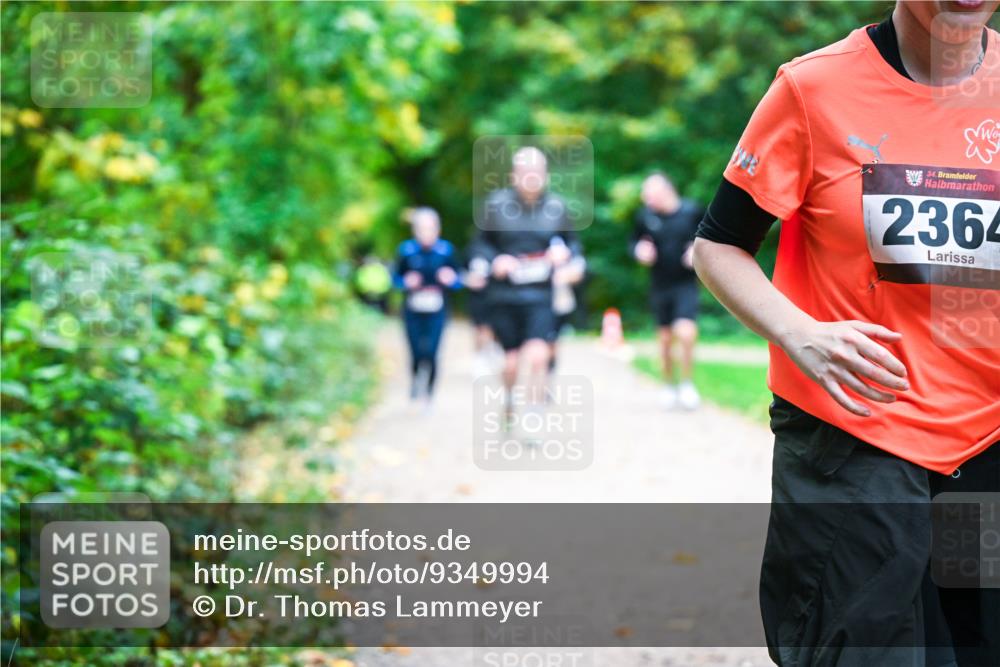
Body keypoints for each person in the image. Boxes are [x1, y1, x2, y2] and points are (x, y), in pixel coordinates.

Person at [692, 2, 999, 665]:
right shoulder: (814, 89)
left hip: (987, 441)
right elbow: (718, 246)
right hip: (857, 431)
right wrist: (797, 332)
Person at [469, 146, 583, 421]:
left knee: (538, 356)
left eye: (537, 171)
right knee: (510, 363)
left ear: (545, 175)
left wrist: (568, 259)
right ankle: (509, 402)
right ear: (513, 175)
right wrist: (495, 261)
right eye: (525, 171)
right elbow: (478, 246)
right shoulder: (496, 206)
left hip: (540, 295)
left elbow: (573, 246)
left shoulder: (557, 208)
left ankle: (534, 414)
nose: (532, 177)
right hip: (505, 295)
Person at [630, 172, 704, 410]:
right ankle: (669, 385)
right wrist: (639, 250)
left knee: (686, 332)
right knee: (664, 339)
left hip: (685, 283)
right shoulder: (645, 216)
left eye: (650, 195)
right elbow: (634, 242)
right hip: (659, 283)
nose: (646, 199)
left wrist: (696, 250)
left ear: (667, 191)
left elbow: (709, 239)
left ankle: (687, 383)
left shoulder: (691, 211)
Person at [392, 207, 461, 405]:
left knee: (431, 350)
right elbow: (394, 278)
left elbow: (458, 280)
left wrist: (451, 280)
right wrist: (405, 282)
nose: (426, 233)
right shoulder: (406, 251)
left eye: (430, 228)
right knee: (415, 351)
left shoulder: (446, 251)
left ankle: (429, 392)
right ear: (415, 230)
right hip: (412, 309)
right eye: (422, 228)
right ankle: (415, 380)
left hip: (437, 308)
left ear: (437, 229)